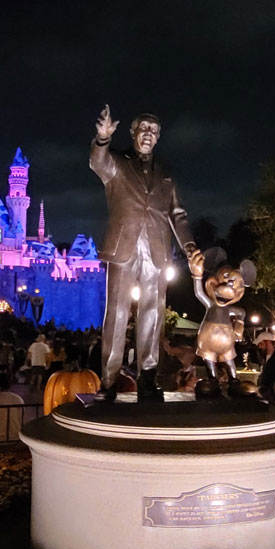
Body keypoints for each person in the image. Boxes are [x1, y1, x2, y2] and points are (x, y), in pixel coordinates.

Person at [90, 105, 203, 402]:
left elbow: (178, 214)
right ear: (133, 132)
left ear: (158, 137)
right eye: (143, 129)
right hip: (123, 247)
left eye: (154, 131)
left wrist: (189, 247)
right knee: (116, 314)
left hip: (155, 249)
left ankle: (148, 378)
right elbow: (98, 162)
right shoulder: (117, 163)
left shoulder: (166, 173)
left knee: (153, 313)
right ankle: (109, 380)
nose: (148, 135)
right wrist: (102, 138)